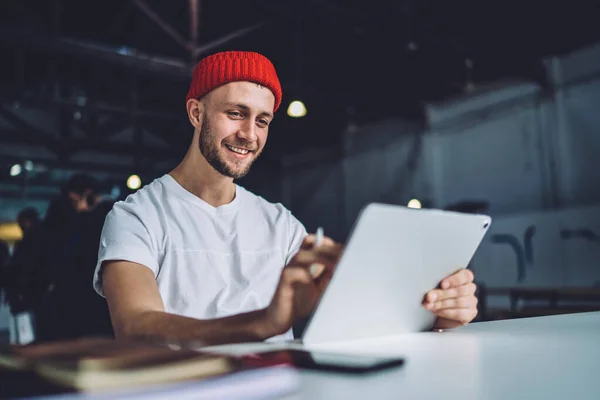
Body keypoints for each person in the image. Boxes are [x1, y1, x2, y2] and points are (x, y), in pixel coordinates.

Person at [94, 51, 479, 346]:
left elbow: (353, 310)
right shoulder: (137, 216)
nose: (249, 133)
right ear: (196, 112)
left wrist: (435, 312)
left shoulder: (280, 225)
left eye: (262, 120)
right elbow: (135, 325)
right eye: (235, 113)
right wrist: (259, 325)